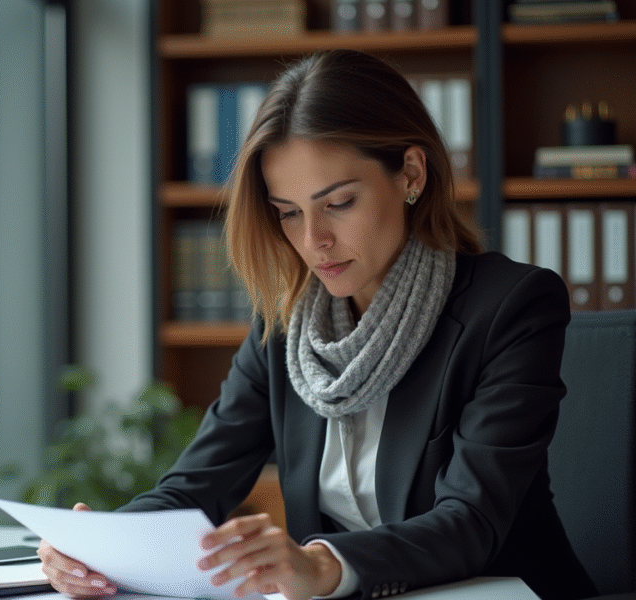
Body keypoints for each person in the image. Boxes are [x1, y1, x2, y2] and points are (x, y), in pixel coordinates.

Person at [37, 49, 596, 600]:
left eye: (339, 203)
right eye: (288, 212)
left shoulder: (511, 307)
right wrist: (99, 548)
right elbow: (194, 487)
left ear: (410, 173)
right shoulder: (285, 325)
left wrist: (324, 564)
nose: (313, 241)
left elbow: (471, 521)